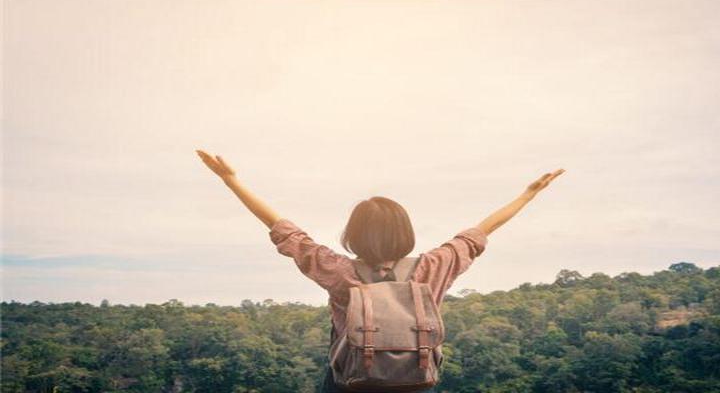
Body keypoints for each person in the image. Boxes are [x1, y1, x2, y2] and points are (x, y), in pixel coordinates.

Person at [196, 149, 565, 392]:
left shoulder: (339, 271)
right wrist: (528, 194)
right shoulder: (432, 267)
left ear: (353, 235)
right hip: (416, 380)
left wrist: (230, 180)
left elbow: (284, 231)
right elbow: (479, 232)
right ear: (406, 232)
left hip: (350, 382)